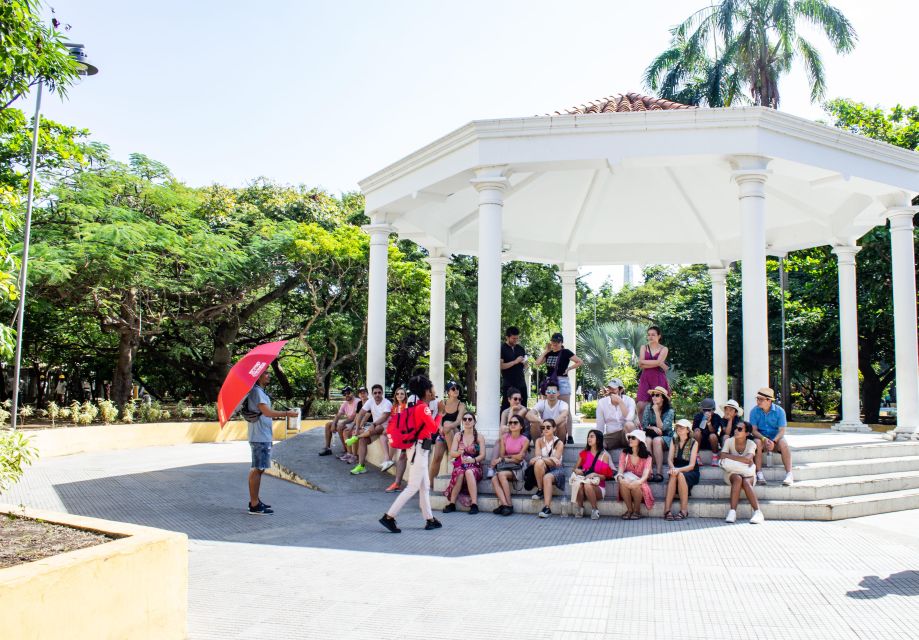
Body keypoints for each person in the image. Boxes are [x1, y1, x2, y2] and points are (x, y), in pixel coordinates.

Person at [379, 375, 443, 533]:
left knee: (424, 485)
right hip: (419, 450)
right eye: (432, 388)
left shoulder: (417, 406)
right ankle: (389, 516)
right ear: (427, 391)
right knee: (414, 486)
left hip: (417, 449)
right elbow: (434, 429)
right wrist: (440, 413)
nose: (434, 391)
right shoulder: (423, 408)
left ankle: (429, 519)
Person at [245, 370, 298, 515]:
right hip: (259, 436)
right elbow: (267, 412)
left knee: (259, 468)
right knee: (258, 468)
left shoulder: (260, 391)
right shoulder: (256, 392)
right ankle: (254, 504)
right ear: (259, 376)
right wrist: (287, 414)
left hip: (262, 435)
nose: (269, 375)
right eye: (266, 373)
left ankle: (255, 501)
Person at [442, 411, 487, 514]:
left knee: (469, 472)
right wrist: (460, 453)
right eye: (465, 419)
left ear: (474, 422)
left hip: (475, 465)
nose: (467, 421)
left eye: (470, 419)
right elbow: (452, 453)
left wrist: (473, 460)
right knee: (460, 473)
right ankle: (452, 504)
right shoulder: (458, 435)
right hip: (461, 464)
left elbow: (483, 455)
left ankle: (474, 504)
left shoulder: (479, 437)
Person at [748, 387, 794, 486]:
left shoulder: (780, 411)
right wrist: (764, 439)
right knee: (757, 442)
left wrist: (774, 441)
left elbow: (782, 431)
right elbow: (754, 430)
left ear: (769, 400)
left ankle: (789, 474)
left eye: (761, 399)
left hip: (775, 439)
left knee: (784, 443)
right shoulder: (754, 411)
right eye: (757, 398)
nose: (758, 401)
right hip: (761, 438)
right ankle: (759, 473)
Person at [721, 420, 764, 524]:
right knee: (737, 478)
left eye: (740, 429)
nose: (736, 430)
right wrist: (743, 459)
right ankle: (732, 512)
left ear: (747, 433)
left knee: (745, 482)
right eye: (736, 428)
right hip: (732, 473)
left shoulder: (751, 444)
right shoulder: (729, 441)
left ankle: (758, 512)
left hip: (748, 473)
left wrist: (730, 457)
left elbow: (748, 459)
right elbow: (722, 455)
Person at [345, 384, 392, 475]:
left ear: (382, 393)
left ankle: (355, 438)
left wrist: (374, 424)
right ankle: (361, 466)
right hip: (374, 429)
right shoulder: (370, 401)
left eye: (379, 392)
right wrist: (357, 428)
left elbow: (384, 417)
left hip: (386, 427)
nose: (377, 395)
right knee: (363, 440)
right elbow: (360, 414)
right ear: (372, 394)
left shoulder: (387, 403)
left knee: (378, 426)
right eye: (375, 393)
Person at [489, 415, 530, 516]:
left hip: (519, 467)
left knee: (501, 475)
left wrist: (507, 458)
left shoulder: (525, 440)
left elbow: (520, 458)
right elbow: (502, 454)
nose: (512, 425)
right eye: (510, 423)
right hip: (507, 466)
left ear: (521, 426)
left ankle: (509, 505)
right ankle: (505, 504)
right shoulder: (505, 437)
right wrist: (510, 457)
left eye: (515, 423)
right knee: (494, 478)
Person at [571, 429, 615, 520]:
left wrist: (595, 474)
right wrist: (577, 471)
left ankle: (595, 509)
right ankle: (580, 508)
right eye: (588, 436)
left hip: (598, 488)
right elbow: (574, 468)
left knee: (587, 485)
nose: (589, 438)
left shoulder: (604, 456)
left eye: (592, 436)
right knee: (580, 484)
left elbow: (605, 477)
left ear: (598, 440)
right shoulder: (584, 453)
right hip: (583, 484)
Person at [429, 381, 465, 486]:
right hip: (443, 433)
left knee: (448, 424)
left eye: (457, 388)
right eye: (453, 389)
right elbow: (438, 419)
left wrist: (446, 427)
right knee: (436, 458)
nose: (456, 390)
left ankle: (452, 454)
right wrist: (441, 428)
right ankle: (430, 485)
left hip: (455, 433)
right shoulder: (443, 403)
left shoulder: (461, 404)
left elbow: (458, 421)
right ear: (448, 392)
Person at [534, 332, 582, 412]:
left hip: (562, 381)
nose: (555, 344)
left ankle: (567, 425)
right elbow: (537, 363)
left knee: (565, 410)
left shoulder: (566, 352)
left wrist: (569, 368)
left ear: (561, 343)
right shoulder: (549, 353)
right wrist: (546, 351)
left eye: (557, 342)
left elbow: (580, 361)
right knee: (548, 408)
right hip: (550, 382)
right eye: (553, 341)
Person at [664, 419, 700, 521]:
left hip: (690, 471)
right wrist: (673, 468)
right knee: (675, 475)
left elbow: (692, 465)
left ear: (688, 430)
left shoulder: (694, 443)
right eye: (678, 427)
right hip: (676, 469)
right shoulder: (673, 439)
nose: (679, 429)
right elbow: (669, 459)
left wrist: (677, 470)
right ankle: (667, 510)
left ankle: (684, 510)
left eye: (682, 427)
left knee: (678, 474)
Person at [530, 419, 566, 518]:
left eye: (548, 427)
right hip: (544, 467)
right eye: (543, 427)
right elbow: (538, 457)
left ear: (554, 428)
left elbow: (556, 462)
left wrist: (542, 458)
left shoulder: (559, 443)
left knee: (546, 476)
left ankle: (547, 508)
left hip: (557, 469)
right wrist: (550, 458)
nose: (545, 429)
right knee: (539, 463)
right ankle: (540, 489)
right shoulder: (538, 441)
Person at [616, 430, 654, 519]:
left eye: (633, 438)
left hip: (641, 482)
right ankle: (629, 510)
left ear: (640, 440)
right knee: (622, 483)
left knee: (637, 485)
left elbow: (645, 476)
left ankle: (637, 511)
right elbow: (620, 470)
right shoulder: (624, 453)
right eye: (629, 437)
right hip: (627, 479)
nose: (630, 439)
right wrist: (620, 478)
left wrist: (637, 482)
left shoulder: (647, 456)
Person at [636, 326, 669, 422]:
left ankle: (661, 428)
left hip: (658, 378)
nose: (650, 337)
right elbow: (640, 364)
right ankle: (640, 429)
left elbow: (646, 363)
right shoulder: (644, 347)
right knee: (641, 404)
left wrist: (645, 363)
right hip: (645, 378)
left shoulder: (664, 348)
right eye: (649, 335)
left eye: (653, 335)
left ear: (659, 336)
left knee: (659, 404)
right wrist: (657, 363)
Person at [641, 386, 673, 483]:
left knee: (656, 440)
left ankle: (659, 472)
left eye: (657, 395)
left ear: (663, 397)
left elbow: (663, 428)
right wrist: (653, 427)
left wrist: (656, 412)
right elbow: (644, 425)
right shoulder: (648, 408)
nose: (654, 397)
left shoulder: (670, 411)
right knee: (647, 440)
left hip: (666, 436)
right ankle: (649, 471)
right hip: (652, 433)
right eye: (653, 395)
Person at [595, 378, 637, 452]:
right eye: (609, 388)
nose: (611, 391)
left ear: (621, 390)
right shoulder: (602, 403)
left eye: (614, 389)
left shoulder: (629, 400)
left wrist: (620, 402)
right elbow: (600, 425)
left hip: (626, 434)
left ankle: (633, 453)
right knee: (598, 444)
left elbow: (629, 418)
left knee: (629, 424)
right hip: (611, 435)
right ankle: (608, 461)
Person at [318, 386, 360, 457]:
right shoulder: (345, 403)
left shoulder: (357, 401)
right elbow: (338, 415)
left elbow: (353, 417)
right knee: (328, 424)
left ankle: (346, 449)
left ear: (352, 393)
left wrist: (342, 423)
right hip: (349, 423)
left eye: (348, 393)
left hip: (356, 423)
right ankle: (327, 448)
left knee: (340, 426)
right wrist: (334, 424)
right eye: (344, 394)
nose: (346, 395)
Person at [382, 387, 409, 492]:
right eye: (397, 394)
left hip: (408, 435)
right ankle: (397, 483)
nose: (399, 396)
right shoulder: (394, 407)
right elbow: (393, 421)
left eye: (402, 394)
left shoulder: (407, 406)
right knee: (389, 439)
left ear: (405, 395)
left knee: (403, 457)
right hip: (400, 435)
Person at [500, 326, 528, 412]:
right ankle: (505, 424)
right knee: (506, 406)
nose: (515, 340)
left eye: (517, 338)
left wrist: (525, 364)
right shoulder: (502, 348)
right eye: (513, 338)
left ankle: (522, 424)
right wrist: (515, 362)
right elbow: (501, 366)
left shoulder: (520, 349)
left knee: (523, 406)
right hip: (508, 383)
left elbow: (526, 366)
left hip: (521, 382)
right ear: (507, 337)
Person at [339, 387, 370, 463]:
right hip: (360, 423)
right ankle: (349, 453)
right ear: (358, 394)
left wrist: (357, 427)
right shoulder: (359, 403)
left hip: (368, 423)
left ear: (367, 393)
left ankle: (355, 456)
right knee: (346, 431)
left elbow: (366, 417)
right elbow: (357, 416)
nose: (362, 394)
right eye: (360, 393)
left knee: (354, 433)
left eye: (364, 392)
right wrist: (353, 426)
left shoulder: (370, 402)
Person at [692, 398, 724, 467]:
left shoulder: (716, 417)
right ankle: (696, 457)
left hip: (712, 443)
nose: (707, 412)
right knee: (697, 432)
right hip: (700, 442)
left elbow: (713, 431)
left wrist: (709, 422)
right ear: (701, 409)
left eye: (709, 410)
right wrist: (702, 422)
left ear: (713, 410)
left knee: (713, 435)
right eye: (704, 410)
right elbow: (694, 430)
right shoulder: (698, 416)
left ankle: (715, 457)